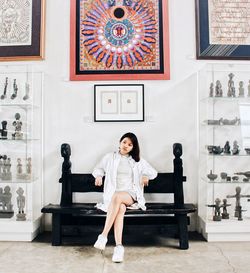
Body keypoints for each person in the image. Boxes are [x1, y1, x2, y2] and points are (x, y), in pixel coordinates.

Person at [92, 132, 157, 263]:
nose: (126, 146)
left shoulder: (137, 161)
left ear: (133, 147)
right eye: (124, 142)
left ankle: (103, 235)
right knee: (120, 209)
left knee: (118, 197)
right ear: (119, 143)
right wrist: (99, 176)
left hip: (131, 194)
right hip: (115, 197)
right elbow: (98, 169)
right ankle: (119, 247)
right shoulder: (110, 157)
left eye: (130, 144)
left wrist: (145, 175)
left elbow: (153, 172)